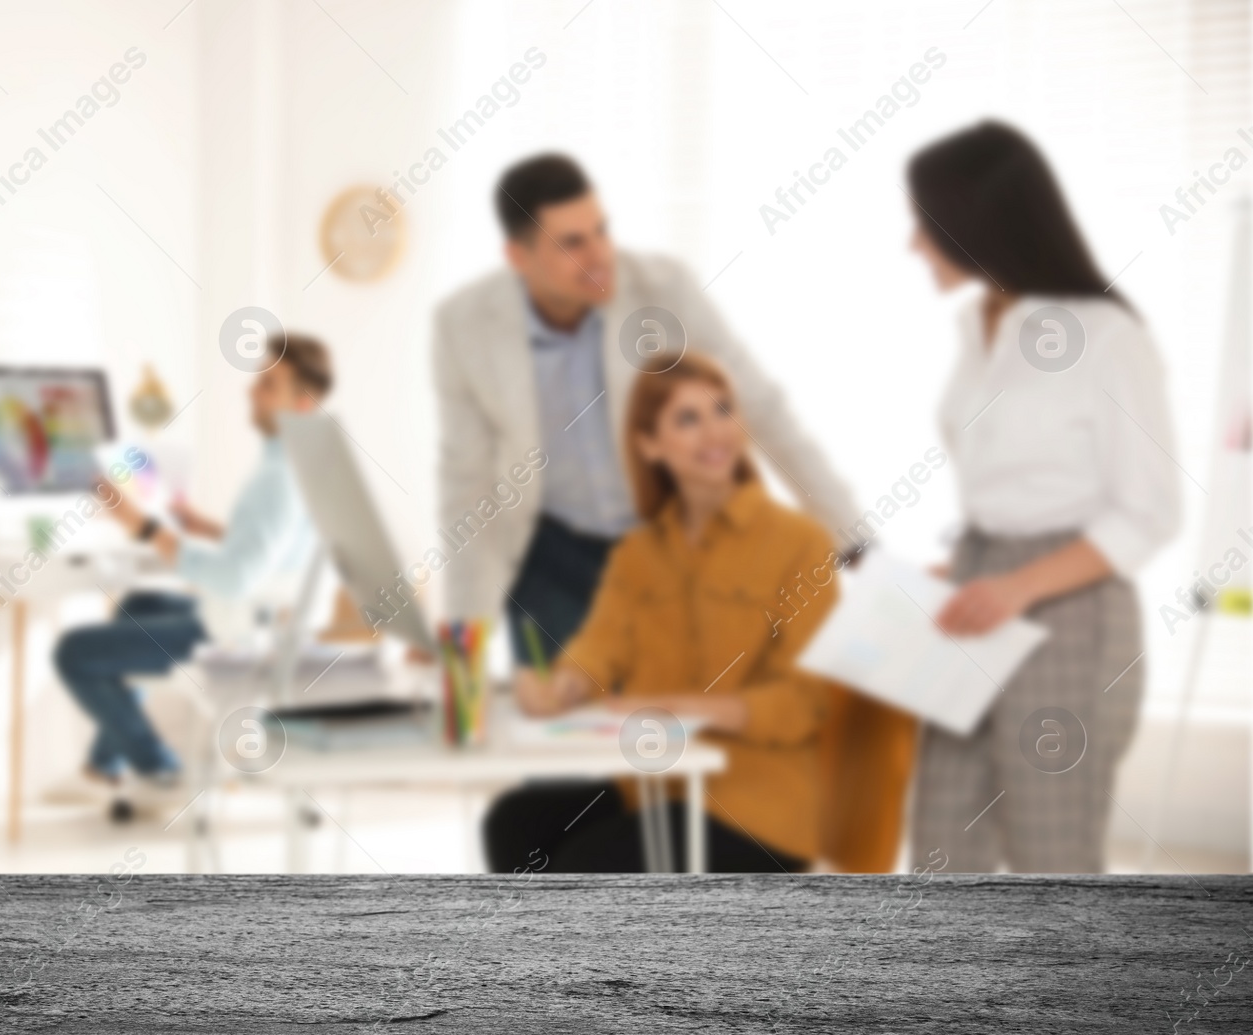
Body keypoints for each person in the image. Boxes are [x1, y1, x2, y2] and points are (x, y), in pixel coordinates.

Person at [433, 152, 858, 661]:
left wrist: (850, 534)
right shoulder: (463, 325)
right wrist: (463, 637)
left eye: (601, 231)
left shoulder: (663, 289)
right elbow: (467, 481)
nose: (599, 255)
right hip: (549, 558)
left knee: (681, 718)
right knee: (555, 730)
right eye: (572, 243)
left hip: (664, 544)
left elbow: (759, 407)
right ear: (519, 258)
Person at [905, 121, 1181, 872]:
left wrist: (1019, 584)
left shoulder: (1104, 335)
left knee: (1049, 854)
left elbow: (1150, 511)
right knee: (939, 843)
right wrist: (964, 572)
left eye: (925, 224)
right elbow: (1002, 489)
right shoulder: (975, 326)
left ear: (974, 223)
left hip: (1070, 606)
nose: (913, 244)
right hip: (981, 582)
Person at [483, 354, 839, 872]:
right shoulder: (639, 553)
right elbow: (600, 648)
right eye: (687, 419)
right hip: (651, 792)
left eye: (722, 410)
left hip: (756, 810)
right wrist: (564, 686)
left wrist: (684, 707)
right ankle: (551, 954)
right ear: (650, 445)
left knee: (586, 863)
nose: (713, 432)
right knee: (515, 822)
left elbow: (806, 700)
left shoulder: (799, 544)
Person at [53, 333, 331, 787]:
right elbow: (277, 551)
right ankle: (106, 761)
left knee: (73, 652)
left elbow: (234, 579)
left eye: (268, 386)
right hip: (263, 619)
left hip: (238, 633)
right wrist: (208, 529)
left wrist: (141, 525)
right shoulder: (296, 465)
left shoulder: (278, 479)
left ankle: (159, 766)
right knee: (137, 607)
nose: (251, 391)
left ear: (300, 405)